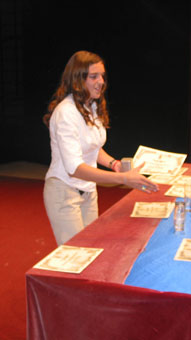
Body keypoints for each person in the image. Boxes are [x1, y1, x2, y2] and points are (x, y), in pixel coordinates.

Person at [43, 50, 158, 246]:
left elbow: (93, 148)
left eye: (102, 76)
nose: (101, 81)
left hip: (88, 191)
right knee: (76, 256)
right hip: (64, 191)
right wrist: (122, 178)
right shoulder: (66, 113)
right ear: (78, 79)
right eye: (93, 76)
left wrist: (114, 164)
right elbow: (75, 168)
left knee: (90, 250)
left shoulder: (91, 106)